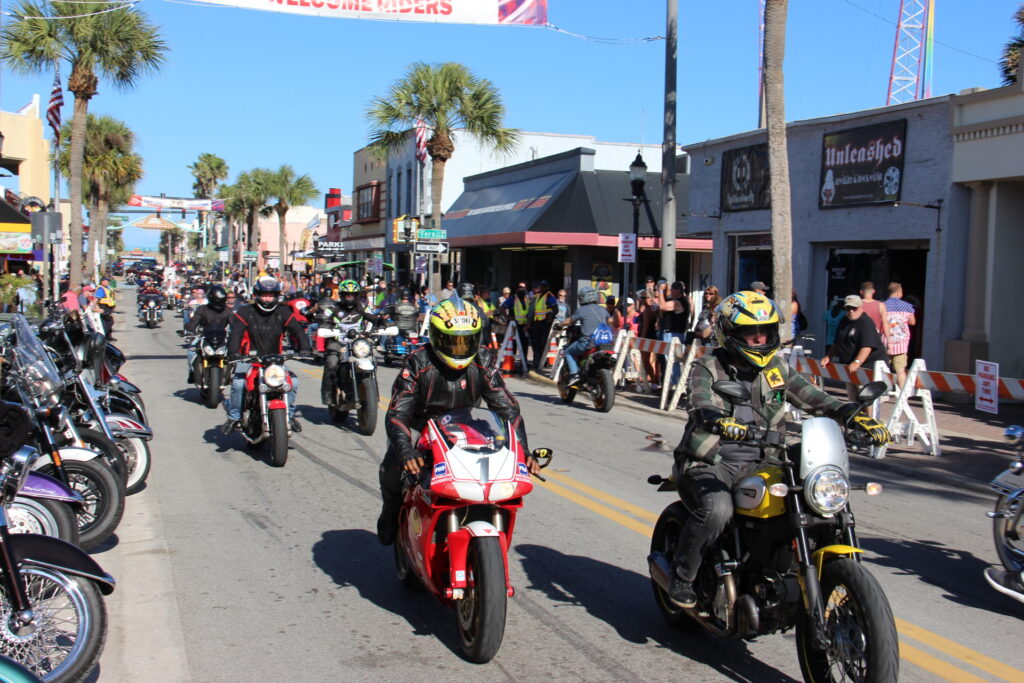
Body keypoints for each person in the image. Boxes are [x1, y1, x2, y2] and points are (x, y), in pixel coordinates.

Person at [668, 290, 891, 608]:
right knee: (718, 509)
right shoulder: (709, 366)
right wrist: (718, 420)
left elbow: (812, 397)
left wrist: (852, 416)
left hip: (766, 462)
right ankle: (682, 575)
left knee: (813, 501)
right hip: (711, 461)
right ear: (730, 334)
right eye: (750, 332)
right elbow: (700, 401)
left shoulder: (775, 368)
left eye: (765, 331)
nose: (759, 339)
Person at [376, 294, 540, 545]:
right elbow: (398, 412)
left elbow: (507, 408)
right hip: (422, 425)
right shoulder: (418, 361)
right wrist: (406, 450)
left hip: (465, 425)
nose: (460, 349)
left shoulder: (484, 360)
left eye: (467, 342)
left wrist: (523, 450)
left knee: (497, 472)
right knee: (391, 469)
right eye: (452, 341)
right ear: (436, 337)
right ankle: (390, 515)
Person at [222, 277, 310, 435]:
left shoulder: (283, 311)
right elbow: (236, 334)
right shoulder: (246, 311)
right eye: (264, 294)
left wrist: (305, 347)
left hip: (275, 360)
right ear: (256, 295)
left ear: (276, 296)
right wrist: (233, 352)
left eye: (271, 295)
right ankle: (234, 417)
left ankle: (288, 416)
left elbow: (297, 330)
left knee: (294, 382)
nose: (267, 298)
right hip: (249, 358)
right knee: (239, 384)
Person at [311, 279, 381, 408]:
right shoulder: (333, 308)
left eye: (353, 295)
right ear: (342, 295)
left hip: (357, 342)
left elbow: (373, 317)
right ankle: (328, 396)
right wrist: (325, 325)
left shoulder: (362, 307)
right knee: (331, 362)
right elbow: (324, 318)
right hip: (337, 341)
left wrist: (382, 322)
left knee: (373, 360)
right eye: (347, 295)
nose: (350, 297)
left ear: (357, 296)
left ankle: (371, 394)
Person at [822, 294, 889, 401]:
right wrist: (829, 356)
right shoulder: (844, 321)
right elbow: (837, 342)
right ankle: (856, 416)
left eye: (854, 308)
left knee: (865, 397)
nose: (851, 311)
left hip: (868, 367)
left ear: (861, 308)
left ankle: (867, 417)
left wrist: (857, 361)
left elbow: (867, 346)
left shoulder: (865, 322)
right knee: (853, 397)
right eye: (848, 308)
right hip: (850, 367)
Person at [559, 286, 614, 387]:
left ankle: (575, 375)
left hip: (587, 342)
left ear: (583, 298)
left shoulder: (582, 310)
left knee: (567, 352)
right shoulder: (603, 310)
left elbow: (570, 320)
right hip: (603, 343)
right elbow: (611, 321)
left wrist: (559, 324)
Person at [183, 285, 233, 383]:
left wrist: (237, 333)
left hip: (222, 338)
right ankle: (192, 372)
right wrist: (189, 330)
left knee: (233, 353)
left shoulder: (227, 310)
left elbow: (235, 324)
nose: (219, 303)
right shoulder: (203, 309)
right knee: (191, 351)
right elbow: (194, 321)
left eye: (221, 300)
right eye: (217, 300)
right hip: (204, 336)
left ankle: (229, 374)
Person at [658, 281, 692, 388]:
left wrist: (660, 290)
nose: (670, 291)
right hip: (673, 334)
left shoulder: (679, 302)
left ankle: (677, 387)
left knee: (672, 362)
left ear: (677, 290)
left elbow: (662, 306)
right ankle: (675, 386)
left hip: (673, 335)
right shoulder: (680, 301)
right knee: (673, 362)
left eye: (672, 289)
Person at [883, 282, 917, 388]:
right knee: (900, 370)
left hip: (886, 342)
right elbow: (912, 322)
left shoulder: (882, 305)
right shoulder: (907, 306)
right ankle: (902, 394)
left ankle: (883, 392)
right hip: (901, 343)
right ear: (899, 293)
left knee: (883, 369)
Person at [528, 281, 558, 371]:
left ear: (547, 287)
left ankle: (541, 363)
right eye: (541, 286)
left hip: (544, 323)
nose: (542, 288)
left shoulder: (549, 296)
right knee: (535, 344)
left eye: (544, 286)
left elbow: (555, 309)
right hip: (537, 323)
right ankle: (536, 362)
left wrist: (550, 316)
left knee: (542, 344)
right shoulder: (538, 296)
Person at [502, 281, 531, 370]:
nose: (521, 289)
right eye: (520, 287)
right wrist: (509, 317)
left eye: (523, 288)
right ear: (517, 289)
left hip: (525, 326)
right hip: (515, 326)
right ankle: (512, 363)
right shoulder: (512, 299)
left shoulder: (527, 299)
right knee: (513, 345)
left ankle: (524, 363)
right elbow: (502, 308)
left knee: (525, 345)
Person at [858, 281, 890, 348]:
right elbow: (885, 323)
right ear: (873, 291)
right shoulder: (880, 305)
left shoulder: (857, 305)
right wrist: (888, 340)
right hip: (875, 337)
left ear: (861, 291)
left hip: (859, 336)